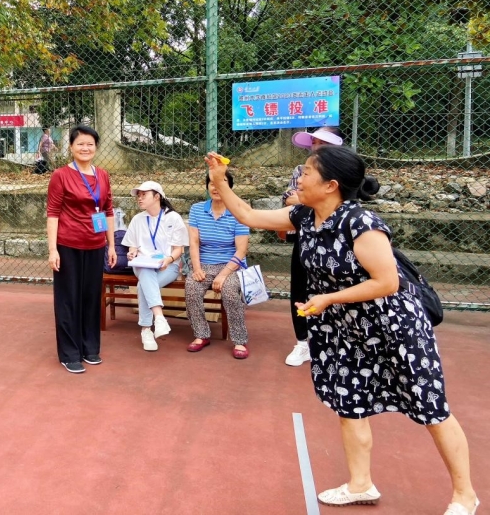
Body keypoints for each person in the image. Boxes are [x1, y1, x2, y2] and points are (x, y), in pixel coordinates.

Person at [204, 146, 478, 515]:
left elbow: (387, 282)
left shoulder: (361, 223)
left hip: (395, 327)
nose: (298, 178)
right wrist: (220, 180)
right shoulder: (304, 216)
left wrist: (330, 298)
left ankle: (465, 496)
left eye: (306, 173)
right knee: (349, 403)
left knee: (431, 408)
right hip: (345, 329)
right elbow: (250, 216)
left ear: (330, 185)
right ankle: (360, 484)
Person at [47, 125, 116, 374]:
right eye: (80, 144)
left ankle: (90, 348)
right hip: (68, 245)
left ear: (96, 147)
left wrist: (111, 244)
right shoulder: (61, 175)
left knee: (90, 298)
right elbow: (53, 213)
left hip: (96, 245)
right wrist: (52, 249)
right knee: (68, 300)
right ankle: (69, 353)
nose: (85, 148)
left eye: (90, 144)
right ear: (71, 147)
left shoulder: (103, 175)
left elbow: (108, 211)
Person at [283, 127, 344, 367]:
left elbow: (345, 202)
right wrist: (313, 200)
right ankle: (302, 343)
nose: (316, 146)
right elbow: (288, 198)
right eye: (314, 142)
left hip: (336, 239)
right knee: (299, 288)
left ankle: (336, 342)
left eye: (322, 142)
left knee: (335, 290)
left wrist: (306, 200)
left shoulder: (346, 169)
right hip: (304, 236)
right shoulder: (301, 170)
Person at [185, 171, 251, 358]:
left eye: (221, 183)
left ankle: (239, 340)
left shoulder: (239, 211)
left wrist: (223, 275)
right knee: (191, 286)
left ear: (229, 187)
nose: (215, 187)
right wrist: (196, 268)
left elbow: (241, 250)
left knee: (230, 291)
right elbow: (194, 243)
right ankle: (201, 335)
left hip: (231, 265)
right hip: (204, 263)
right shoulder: (197, 209)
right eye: (212, 183)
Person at [122, 181, 189, 352]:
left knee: (142, 285)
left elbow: (178, 250)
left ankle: (146, 329)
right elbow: (132, 245)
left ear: (157, 196)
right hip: (143, 265)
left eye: (144, 194)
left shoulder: (173, 218)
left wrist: (168, 259)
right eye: (138, 194)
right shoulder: (138, 219)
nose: (140, 198)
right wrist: (132, 252)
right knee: (145, 272)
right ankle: (159, 318)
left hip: (168, 266)